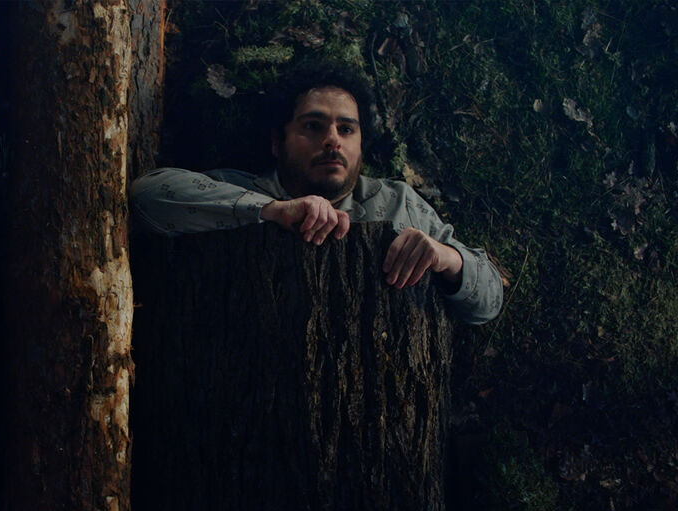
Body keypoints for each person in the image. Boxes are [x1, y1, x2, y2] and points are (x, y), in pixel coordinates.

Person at [130, 63, 502, 324]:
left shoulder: (397, 203)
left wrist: (446, 257)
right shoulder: (242, 191)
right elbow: (147, 197)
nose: (332, 140)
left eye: (347, 129)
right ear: (277, 143)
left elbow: (488, 303)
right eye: (313, 126)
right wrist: (271, 210)